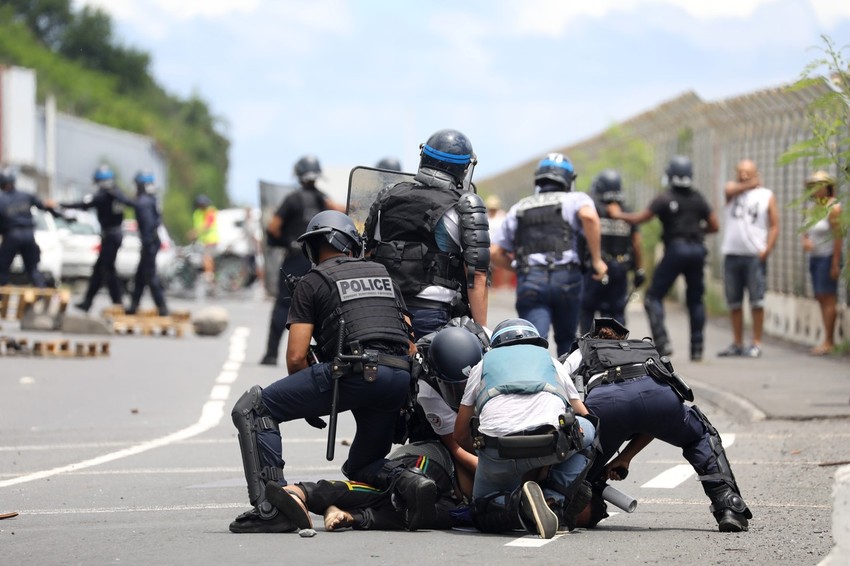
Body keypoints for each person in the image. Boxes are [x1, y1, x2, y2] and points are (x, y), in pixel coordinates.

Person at [230, 210, 429, 534]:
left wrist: (310, 397)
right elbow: (408, 341)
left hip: (351, 373)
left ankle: (271, 509)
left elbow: (296, 356)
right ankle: (410, 482)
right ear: (351, 244)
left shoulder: (313, 281)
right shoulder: (383, 274)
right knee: (363, 465)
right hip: (398, 377)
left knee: (255, 408)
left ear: (312, 249)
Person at [263, 322, 487, 532]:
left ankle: (353, 515)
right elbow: (457, 448)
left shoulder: (491, 366)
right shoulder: (428, 388)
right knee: (415, 484)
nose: (462, 394)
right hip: (441, 457)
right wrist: (493, 473)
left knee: (434, 512)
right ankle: (306, 492)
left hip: (464, 479)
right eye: (455, 388)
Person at [562, 317, 753, 533]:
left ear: (590, 337)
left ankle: (565, 511)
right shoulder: (641, 349)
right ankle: (728, 505)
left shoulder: (579, 353)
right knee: (699, 436)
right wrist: (625, 458)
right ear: (622, 338)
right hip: (659, 399)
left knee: (580, 470)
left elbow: (560, 398)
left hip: (606, 406)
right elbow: (653, 417)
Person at [454, 318, 597, 539]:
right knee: (589, 429)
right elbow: (584, 415)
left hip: (498, 450)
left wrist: (486, 457)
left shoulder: (482, 365)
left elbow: (460, 434)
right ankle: (552, 499)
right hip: (549, 445)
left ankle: (519, 505)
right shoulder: (552, 363)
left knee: (483, 512)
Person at [363, 128, 491, 339]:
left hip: (382, 307)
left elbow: (367, 253)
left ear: (424, 157)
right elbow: (476, 274)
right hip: (433, 312)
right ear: (464, 168)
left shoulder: (388, 196)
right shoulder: (463, 205)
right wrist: (482, 330)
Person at [490, 153, 608, 356]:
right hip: (567, 279)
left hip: (531, 280)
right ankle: (568, 383)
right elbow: (589, 217)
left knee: (533, 341)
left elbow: (494, 252)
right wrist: (597, 261)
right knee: (567, 341)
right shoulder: (575, 199)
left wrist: (519, 267)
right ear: (568, 179)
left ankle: (538, 384)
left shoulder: (520, 206)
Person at [608, 155, 719, 361]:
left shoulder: (664, 198)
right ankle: (697, 348)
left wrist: (618, 215)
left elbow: (641, 218)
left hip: (676, 250)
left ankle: (662, 342)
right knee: (696, 300)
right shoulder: (698, 198)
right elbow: (715, 225)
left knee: (653, 296)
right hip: (697, 250)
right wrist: (697, 232)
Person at [259, 155, 344, 366]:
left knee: (282, 305)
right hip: (319, 262)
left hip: (295, 259)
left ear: (298, 174)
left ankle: (270, 354)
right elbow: (342, 216)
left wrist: (285, 241)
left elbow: (273, 227)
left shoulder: (293, 199)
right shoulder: (325, 200)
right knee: (323, 307)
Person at [717, 159, 779, 358]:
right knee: (734, 302)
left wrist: (767, 249)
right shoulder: (732, 191)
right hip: (732, 254)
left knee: (756, 301)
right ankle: (737, 342)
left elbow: (775, 224)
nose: (743, 174)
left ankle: (756, 342)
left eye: (748, 171)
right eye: (740, 171)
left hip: (754, 256)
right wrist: (751, 183)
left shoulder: (766, 195)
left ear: (756, 172)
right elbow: (729, 189)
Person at [579, 169, 644, 333]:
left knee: (587, 309)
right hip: (620, 269)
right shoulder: (626, 211)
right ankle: (616, 351)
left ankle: (587, 350)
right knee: (616, 313)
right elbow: (636, 242)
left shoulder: (591, 210)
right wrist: (639, 269)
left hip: (595, 269)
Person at [61, 165, 127, 312]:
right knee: (99, 269)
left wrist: (62, 204)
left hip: (111, 236)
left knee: (108, 270)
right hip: (113, 235)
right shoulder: (117, 193)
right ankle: (88, 302)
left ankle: (118, 302)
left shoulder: (104, 196)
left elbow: (83, 204)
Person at [110, 172, 168, 316]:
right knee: (141, 276)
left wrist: (117, 194)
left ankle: (162, 307)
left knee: (150, 275)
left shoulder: (144, 202)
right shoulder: (150, 199)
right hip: (150, 243)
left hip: (150, 243)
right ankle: (134, 306)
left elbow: (137, 209)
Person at [801, 171, 844, 356]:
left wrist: (835, 263)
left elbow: (838, 237)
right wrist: (805, 241)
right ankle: (826, 337)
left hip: (827, 257)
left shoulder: (833, 208)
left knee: (828, 297)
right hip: (815, 257)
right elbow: (806, 231)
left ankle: (829, 340)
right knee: (820, 296)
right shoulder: (813, 208)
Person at [0, 167, 58, 287]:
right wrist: (61, 215)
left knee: (2, 268)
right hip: (29, 235)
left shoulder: (1, 199)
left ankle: (2, 296)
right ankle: (41, 294)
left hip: (12, 236)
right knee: (33, 269)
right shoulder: (26, 195)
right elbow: (44, 206)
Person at [188, 194, 218, 294]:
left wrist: (195, 232)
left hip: (211, 240)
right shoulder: (197, 213)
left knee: (207, 259)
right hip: (202, 241)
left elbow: (208, 225)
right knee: (202, 260)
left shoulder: (210, 211)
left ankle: (209, 279)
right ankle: (210, 281)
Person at [485, 195, 513, 289]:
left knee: (503, 265)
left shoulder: (502, 216)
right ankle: (492, 285)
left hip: (499, 244)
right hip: (487, 245)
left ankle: (503, 285)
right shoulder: (485, 216)